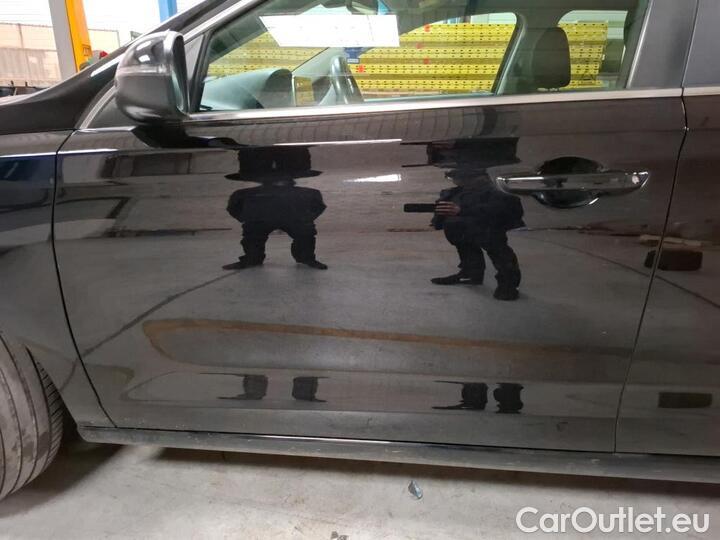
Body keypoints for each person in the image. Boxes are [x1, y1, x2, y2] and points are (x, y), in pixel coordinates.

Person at [223, 147, 328, 270]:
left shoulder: (244, 195)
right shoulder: (309, 194)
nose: (277, 181)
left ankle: (306, 258)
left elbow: (234, 208)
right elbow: (317, 207)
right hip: (273, 220)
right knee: (253, 236)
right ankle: (252, 258)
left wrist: (305, 218)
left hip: (283, 220)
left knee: (304, 235)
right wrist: (305, 218)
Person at [432, 170, 524, 301]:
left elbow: (503, 208)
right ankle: (470, 274)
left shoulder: (496, 191)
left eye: (459, 177)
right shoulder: (458, 191)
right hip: (463, 228)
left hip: (488, 227)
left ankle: (509, 285)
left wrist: (462, 210)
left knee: (499, 252)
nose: (455, 181)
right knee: (466, 247)